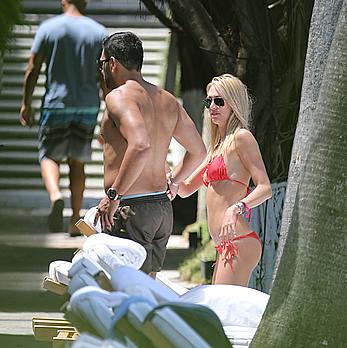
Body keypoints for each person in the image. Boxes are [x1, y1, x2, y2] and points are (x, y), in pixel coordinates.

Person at [93, 32, 206, 278]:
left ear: (113, 63)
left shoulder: (119, 97)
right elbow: (198, 151)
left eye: (101, 63)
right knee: (143, 293)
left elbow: (140, 145)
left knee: (123, 294)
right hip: (161, 208)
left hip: (131, 208)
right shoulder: (167, 99)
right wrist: (174, 182)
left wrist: (114, 195)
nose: (101, 70)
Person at [169, 74, 272, 286]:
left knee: (223, 311)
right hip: (224, 245)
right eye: (209, 101)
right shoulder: (216, 147)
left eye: (219, 101)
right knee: (223, 311)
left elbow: (265, 188)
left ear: (233, 103)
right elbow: (186, 188)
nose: (212, 106)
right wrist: (166, 174)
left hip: (238, 242)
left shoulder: (242, 138)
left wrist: (236, 208)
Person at [19, 0, 107, 235]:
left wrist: (26, 103)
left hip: (56, 104)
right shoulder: (98, 32)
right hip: (87, 105)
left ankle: (56, 195)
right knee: (77, 163)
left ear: (63, 1)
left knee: (49, 154)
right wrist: (109, 107)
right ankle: (75, 221)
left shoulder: (48, 28)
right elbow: (104, 74)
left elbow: (33, 67)